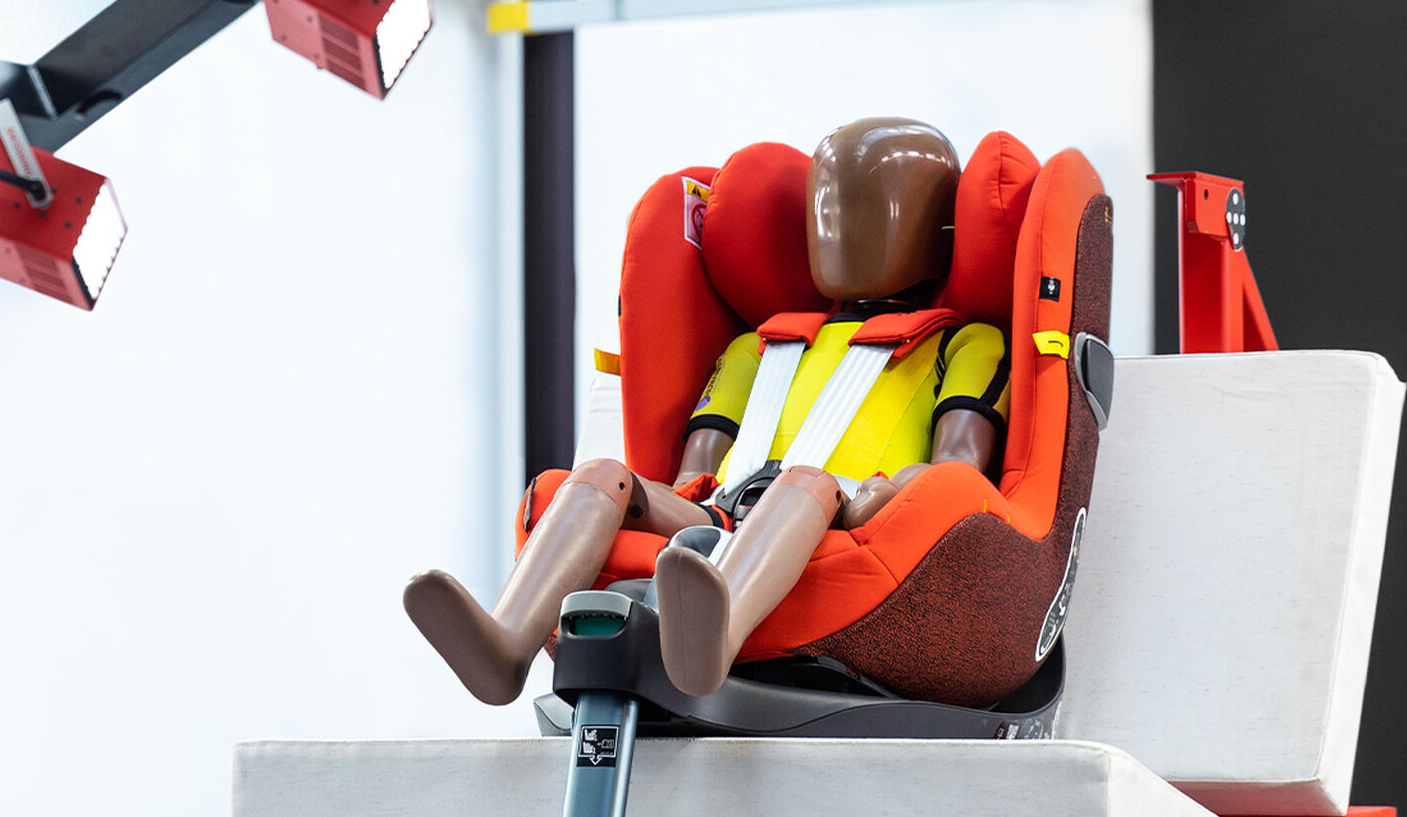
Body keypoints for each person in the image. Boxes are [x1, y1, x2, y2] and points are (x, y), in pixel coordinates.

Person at [404, 117, 1007, 702]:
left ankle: (715, 635)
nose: (841, 231)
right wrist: (667, 505)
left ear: (937, 229)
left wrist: (892, 493)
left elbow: (956, 471)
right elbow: (696, 472)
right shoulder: (762, 346)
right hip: (726, 508)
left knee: (807, 481)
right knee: (600, 474)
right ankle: (508, 644)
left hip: (853, 509)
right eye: (829, 212)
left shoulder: (965, 344)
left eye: (867, 211)